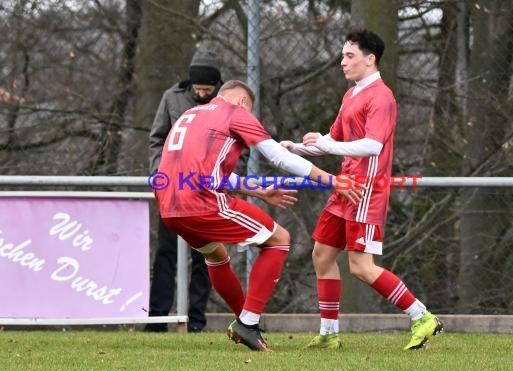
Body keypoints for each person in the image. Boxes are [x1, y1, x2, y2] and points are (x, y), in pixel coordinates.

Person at [153, 80, 362, 351]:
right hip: (201, 201)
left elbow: (208, 170)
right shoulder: (235, 113)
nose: (249, 117)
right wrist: (331, 180)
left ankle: (246, 322)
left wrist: (260, 191)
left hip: (169, 205)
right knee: (279, 239)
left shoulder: (191, 114)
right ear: (242, 103)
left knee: (215, 254)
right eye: (249, 111)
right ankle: (248, 324)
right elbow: (280, 157)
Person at [281, 29, 443, 350]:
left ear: (370, 60)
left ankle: (422, 316)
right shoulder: (352, 94)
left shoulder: (382, 97)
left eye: (349, 56)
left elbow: (371, 146)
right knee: (322, 255)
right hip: (345, 188)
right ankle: (329, 334)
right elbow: (333, 142)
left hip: (367, 192)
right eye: (343, 56)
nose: (342, 62)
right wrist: (296, 148)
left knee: (361, 268)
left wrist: (328, 144)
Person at [146, 50, 223, 333]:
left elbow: (238, 147)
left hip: (206, 194)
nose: (202, 93)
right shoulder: (172, 97)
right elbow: (157, 139)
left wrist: (222, 179)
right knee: (166, 252)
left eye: (208, 89)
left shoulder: (224, 105)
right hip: (173, 192)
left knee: (205, 257)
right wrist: (158, 174)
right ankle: (157, 319)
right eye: (198, 88)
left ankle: (197, 321)